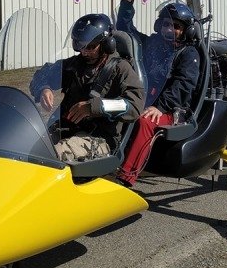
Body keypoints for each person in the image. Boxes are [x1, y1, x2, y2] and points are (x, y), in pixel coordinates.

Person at [115, 0, 200, 186]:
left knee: (145, 121)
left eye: (176, 26)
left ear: (186, 30)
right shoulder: (153, 44)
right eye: (166, 24)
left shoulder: (188, 54)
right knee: (112, 108)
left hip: (173, 110)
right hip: (147, 100)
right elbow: (126, 32)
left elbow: (184, 85)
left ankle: (126, 177)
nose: (169, 30)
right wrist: (127, 0)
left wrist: (161, 107)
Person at [30, 13, 145, 162]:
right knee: (24, 148)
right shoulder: (74, 65)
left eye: (90, 47)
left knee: (52, 154)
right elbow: (41, 74)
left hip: (100, 138)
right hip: (66, 130)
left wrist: (94, 107)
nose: (84, 52)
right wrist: (43, 89)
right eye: (80, 46)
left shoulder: (121, 68)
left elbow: (134, 107)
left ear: (106, 44)